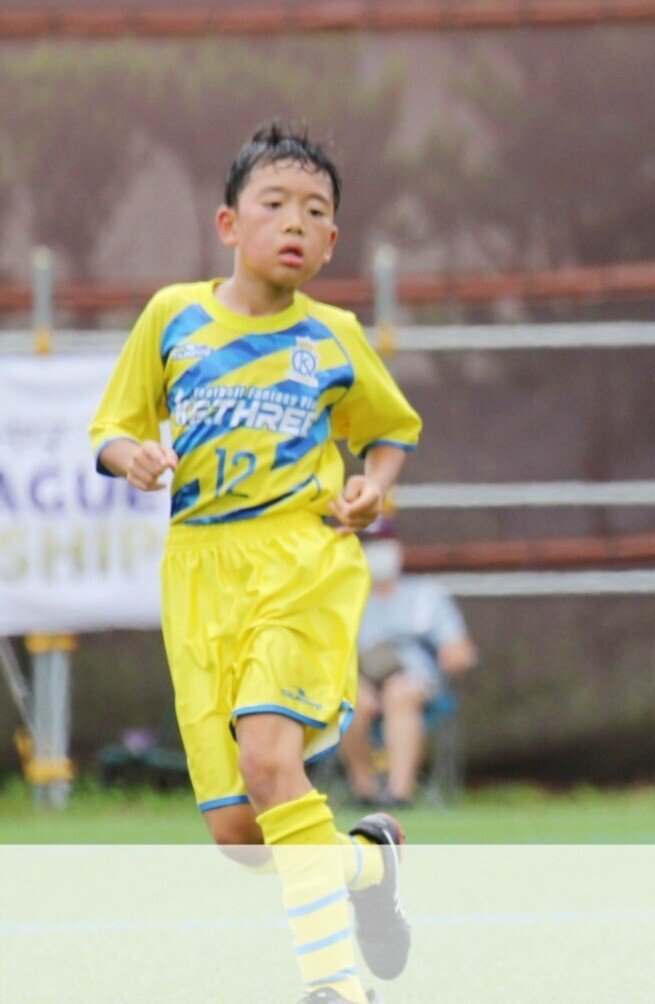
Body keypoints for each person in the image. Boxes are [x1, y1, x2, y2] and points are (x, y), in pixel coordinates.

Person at [89, 122, 418, 1004]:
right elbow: (113, 429)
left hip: (301, 565)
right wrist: (136, 458)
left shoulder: (336, 336)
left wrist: (372, 488)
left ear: (332, 241)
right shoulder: (173, 317)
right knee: (243, 833)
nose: (296, 223)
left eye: (316, 211)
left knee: (273, 765)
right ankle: (366, 866)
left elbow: (389, 435)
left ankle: (334, 987)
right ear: (229, 224)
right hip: (199, 575)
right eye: (275, 205)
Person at [340, 523, 477, 807]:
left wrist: (452, 655)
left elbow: (458, 649)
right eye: (369, 544)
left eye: (383, 543)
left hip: (415, 679)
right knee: (351, 701)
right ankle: (364, 791)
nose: (378, 552)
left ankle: (399, 793)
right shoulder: (346, 598)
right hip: (360, 678)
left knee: (399, 693)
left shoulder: (426, 595)